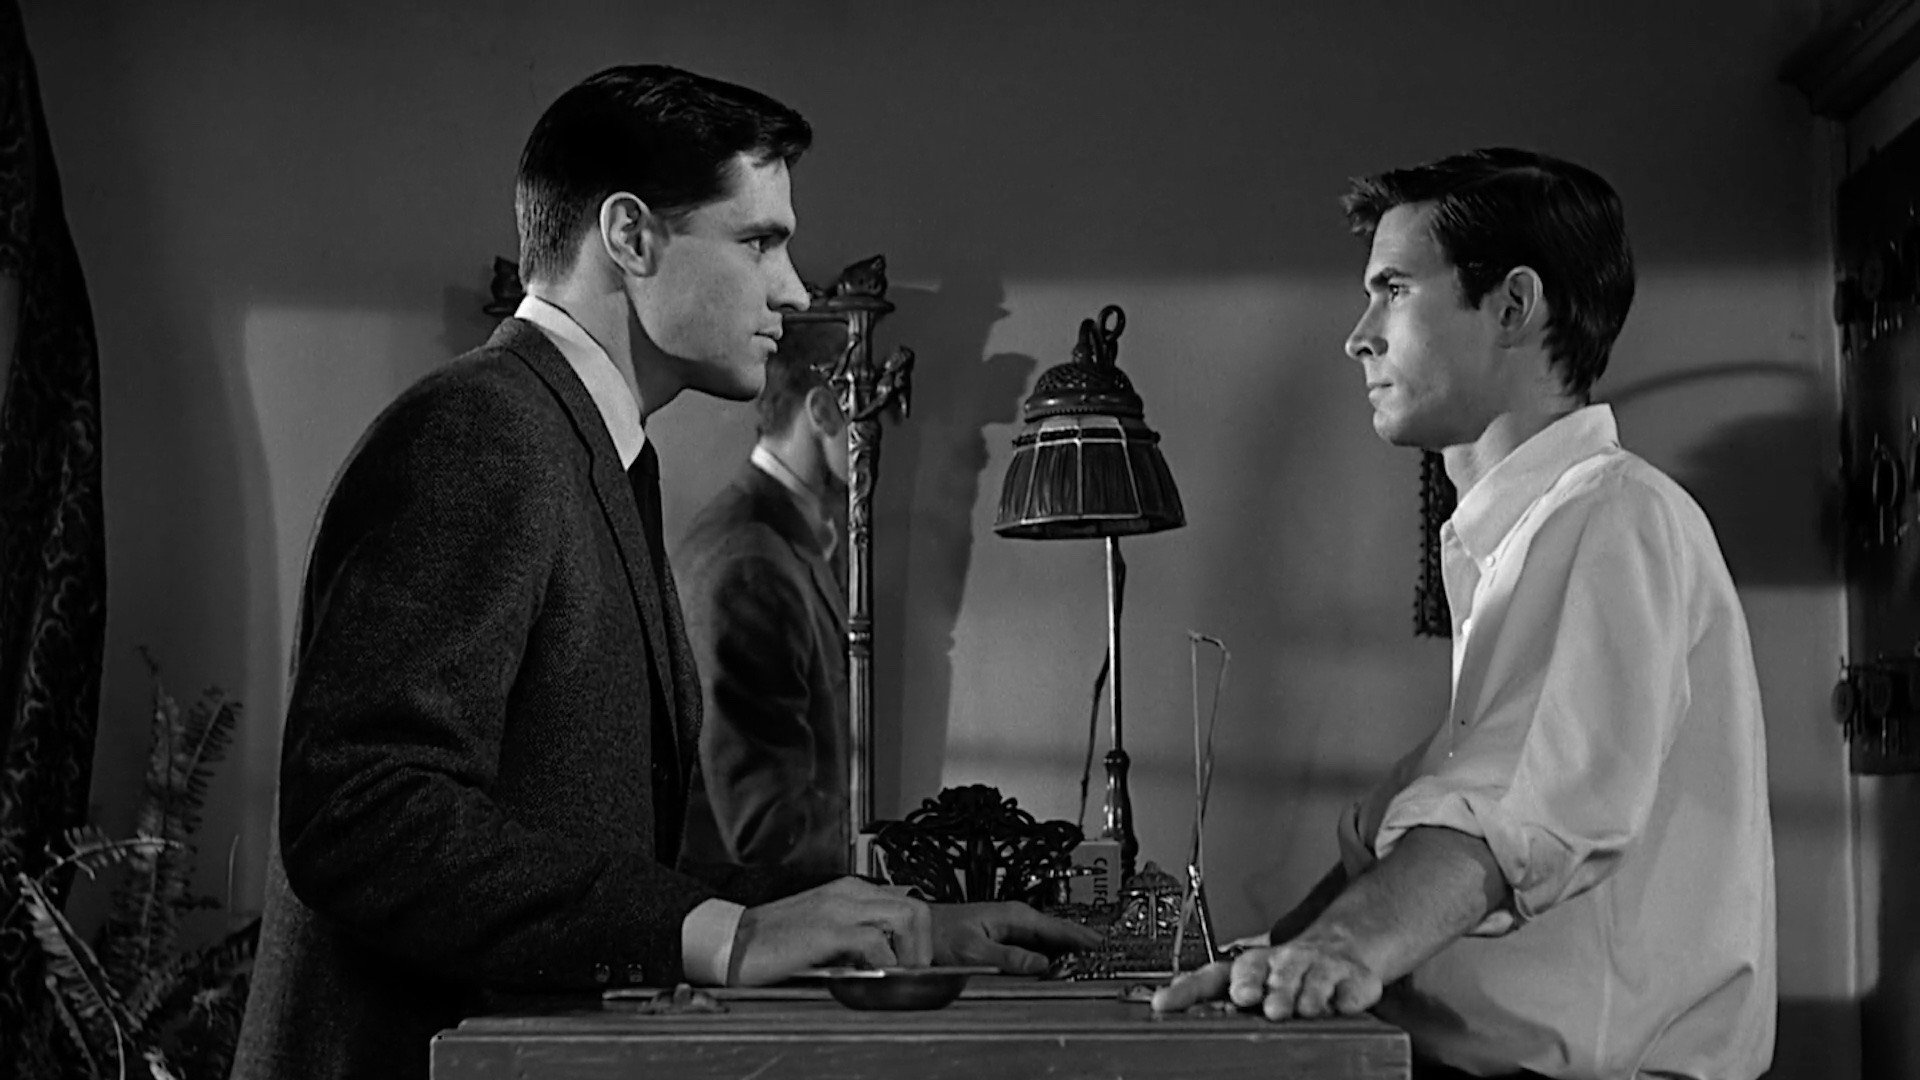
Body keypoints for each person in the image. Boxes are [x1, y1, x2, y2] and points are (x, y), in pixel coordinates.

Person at [232, 64, 1097, 1080]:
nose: (793, 290)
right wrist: (731, 935)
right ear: (631, 237)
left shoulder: (584, 448)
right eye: (758, 241)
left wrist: (892, 927)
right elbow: (362, 818)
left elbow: (599, 866)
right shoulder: (479, 434)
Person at [1153, 148, 1775, 1080]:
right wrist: (1274, 957)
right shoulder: (1527, 544)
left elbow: (1512, 803)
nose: (1359, 337)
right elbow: (1412, 822)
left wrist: (1342, 948)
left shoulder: (1613, 515)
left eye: (1395, 290)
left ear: (1514, 306)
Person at [678, 339, 853, 876]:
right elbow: (765, 828)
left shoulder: (777, 538)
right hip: (759, 911)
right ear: (822, 411)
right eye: (867, 419)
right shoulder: (752, 561)